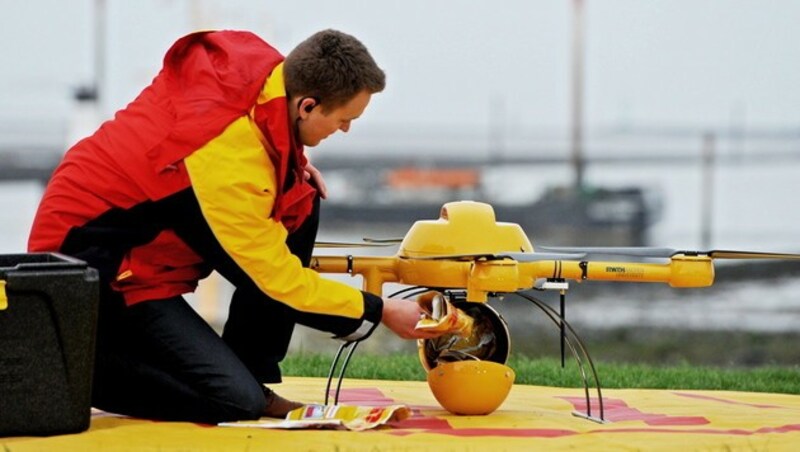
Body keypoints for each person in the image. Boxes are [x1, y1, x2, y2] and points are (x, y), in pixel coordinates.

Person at [28, 29, 441, 424]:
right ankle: (76, 374)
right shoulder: (226, 163)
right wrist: (381, 310)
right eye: (344, 119)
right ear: (308, 106)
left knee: (300, 197)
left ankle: (249, 370)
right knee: (233, 399)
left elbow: (234, 136)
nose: (346, 129)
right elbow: (278, 282)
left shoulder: (270, 77)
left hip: (139, 245)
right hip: (88, 274)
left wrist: (291, 166)